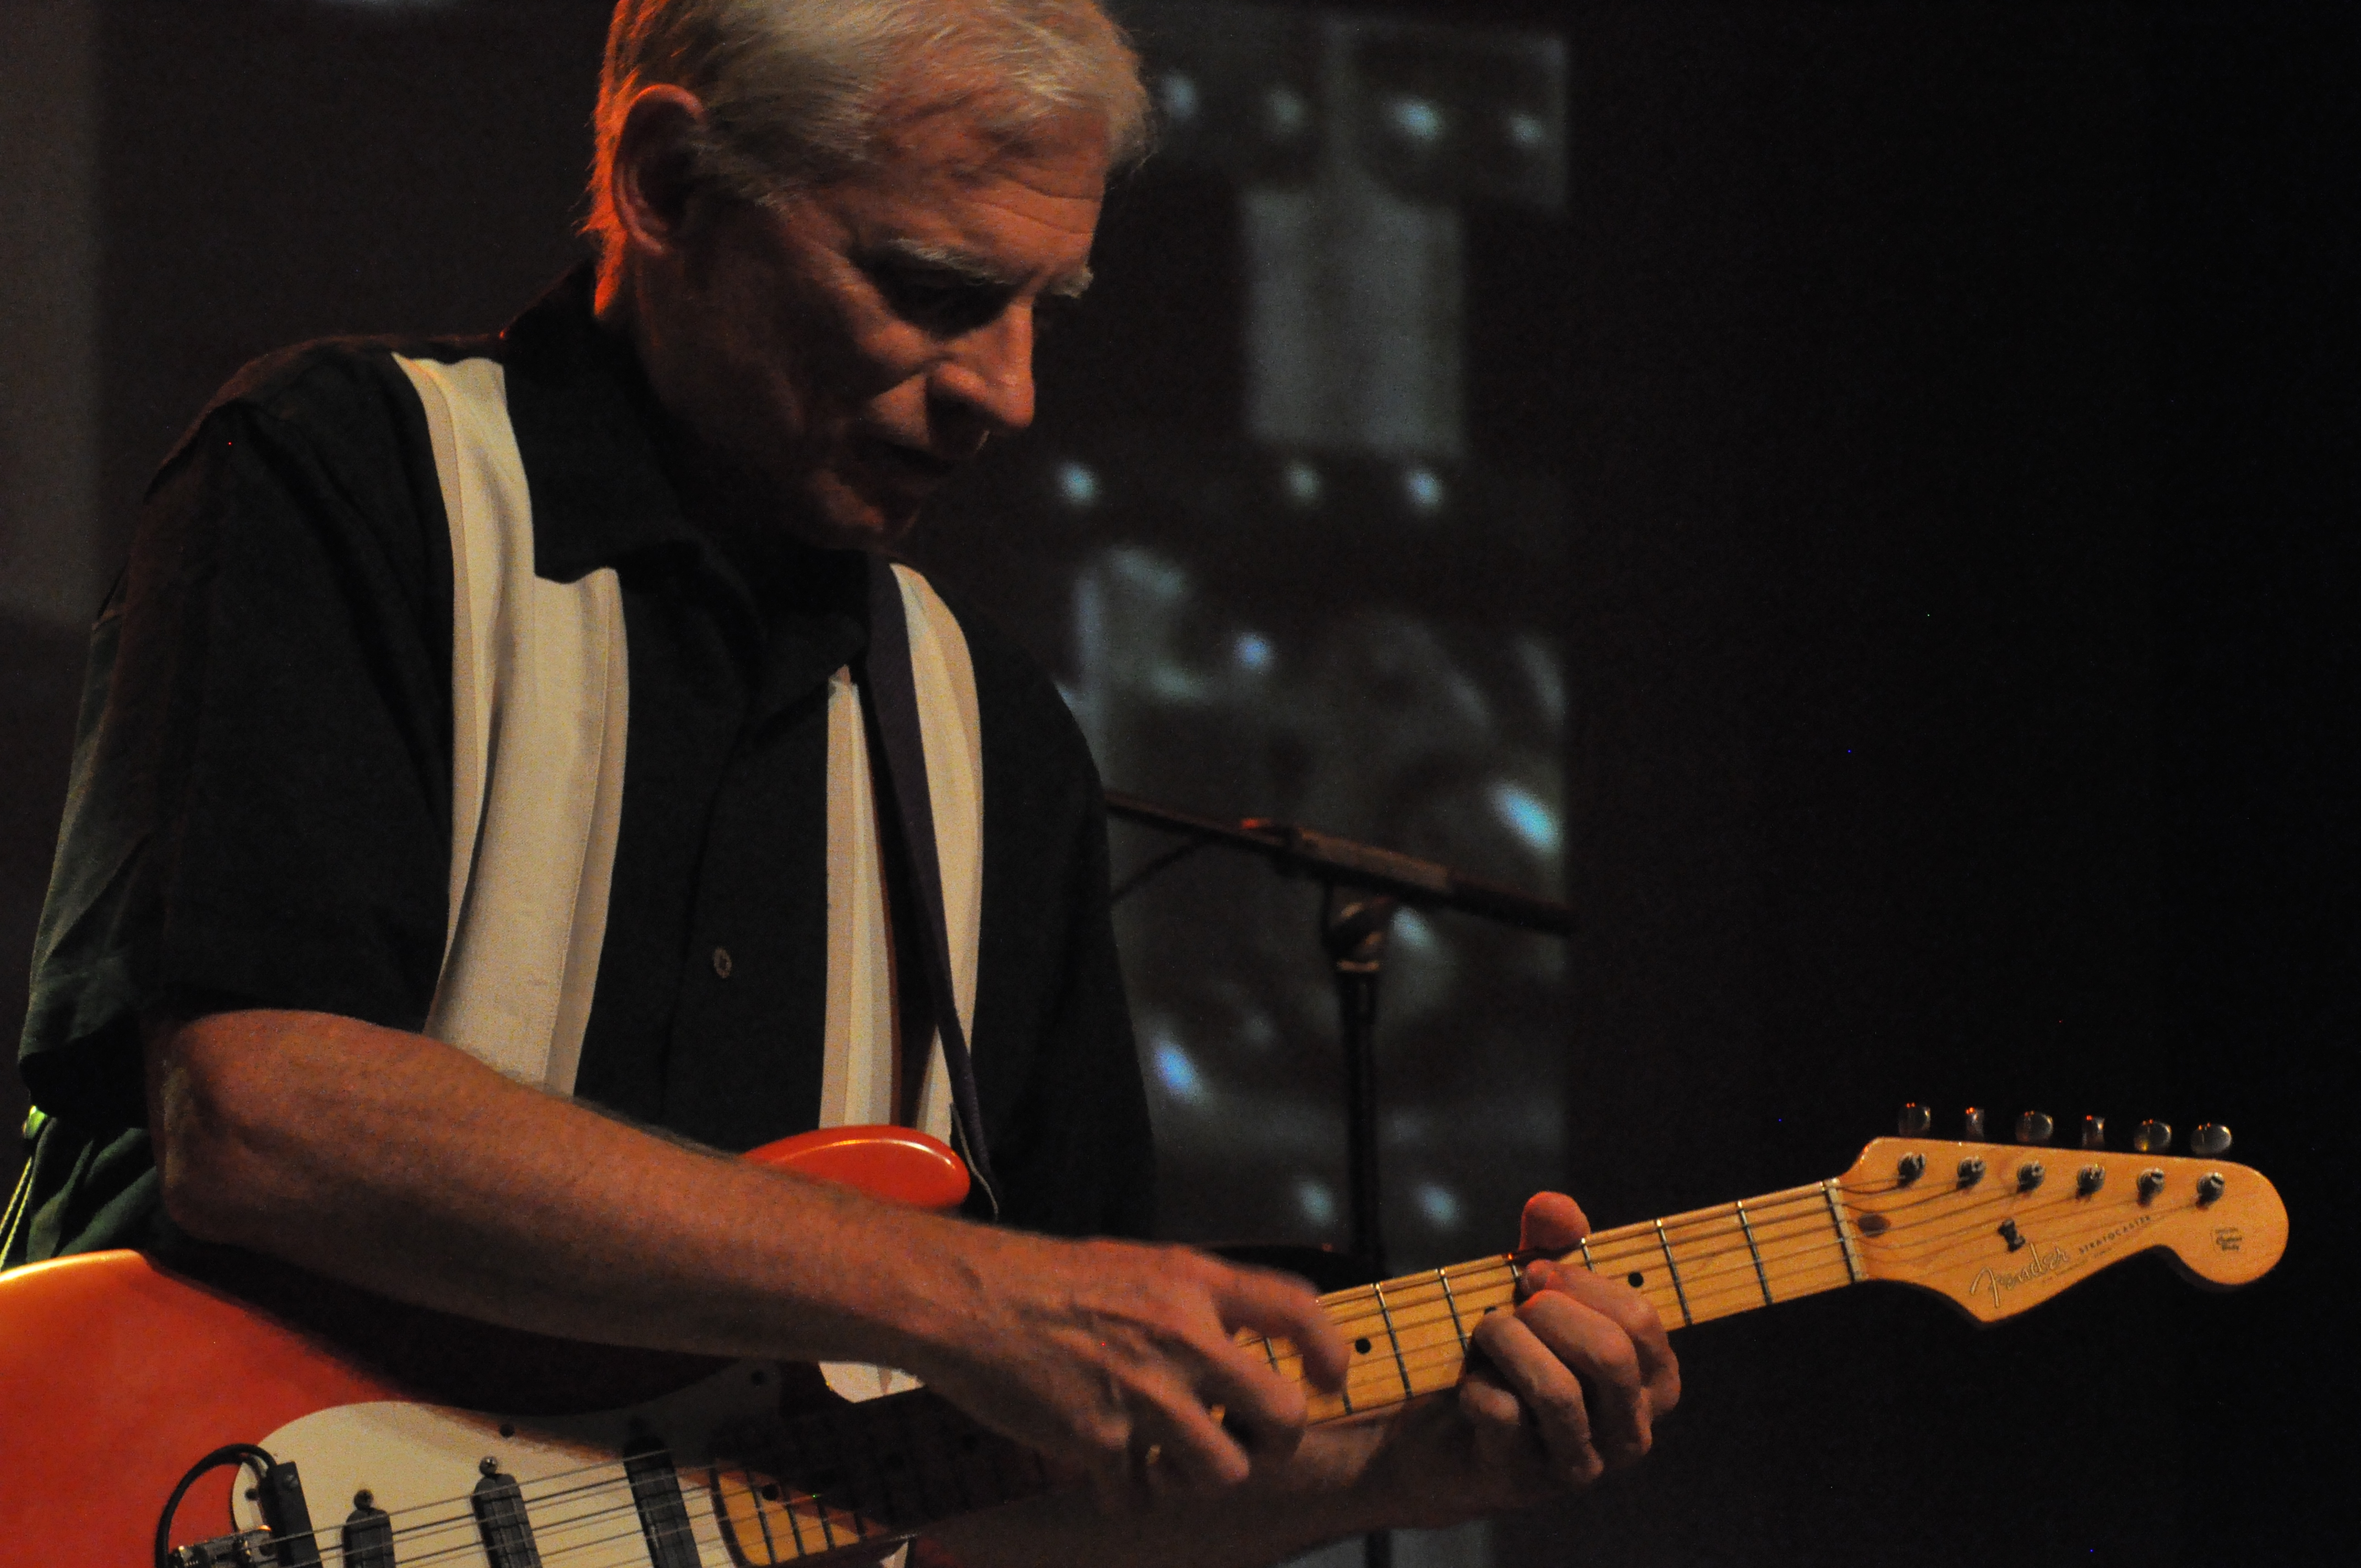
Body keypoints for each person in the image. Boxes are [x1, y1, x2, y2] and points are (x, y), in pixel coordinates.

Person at [5, 2, 1678, 1561]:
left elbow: (1026, 1473)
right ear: (667, 184)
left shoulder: (996, 738)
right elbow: (260, 1112)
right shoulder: (348, 472)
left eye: (1043, 309)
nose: (1007, 391)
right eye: (935, 287)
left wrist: (1414, 1467)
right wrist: (948, 1289)